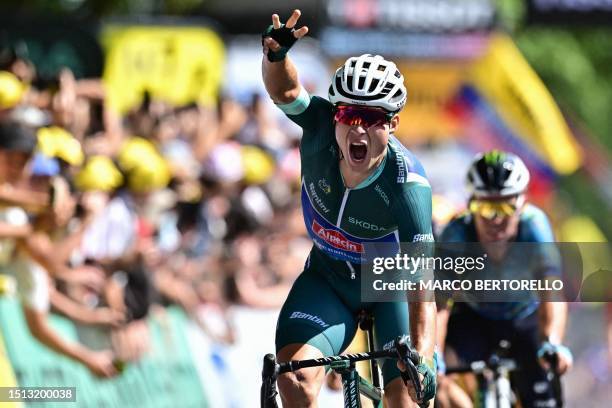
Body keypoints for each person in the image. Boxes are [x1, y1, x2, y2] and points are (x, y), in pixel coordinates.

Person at [262, 10, 436, 407]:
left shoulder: (408, 186)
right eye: (348, 114)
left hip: (391, 289)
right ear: (335, 114)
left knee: (405, 399)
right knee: (296, 380)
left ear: (392, 124)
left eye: (371, 118)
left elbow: (421, 281)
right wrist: (275, 56)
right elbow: (286, 92)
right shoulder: (320, 127)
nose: (357, 128)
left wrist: (422, 358)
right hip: (329, 280)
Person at [435, 150, 572, 408]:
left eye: (505, 206)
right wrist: (433, 355)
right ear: (471, 204)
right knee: (435, 379)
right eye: (486, 206)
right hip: (473, 318)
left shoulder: (534, 226)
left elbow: (551, 291)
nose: (495, 219)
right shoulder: (457, 233)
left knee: (545, 394)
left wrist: (552, 342)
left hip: (524, 319)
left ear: (522, 204)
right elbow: (439, 302)